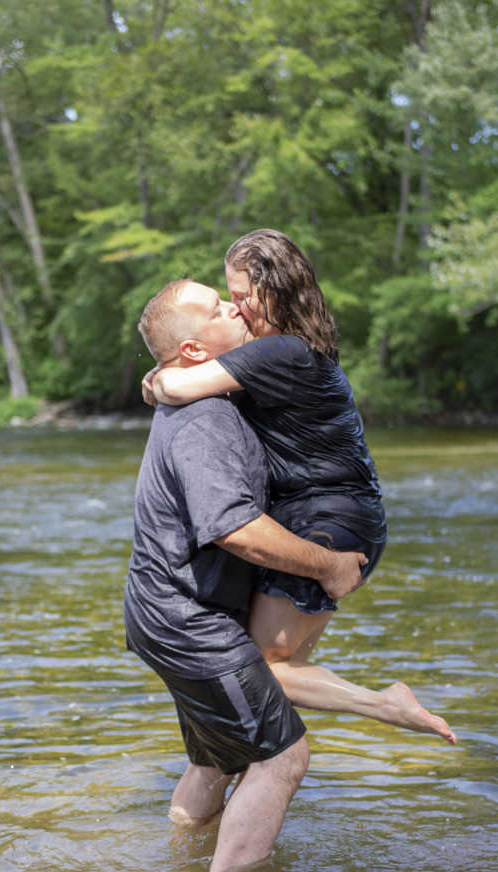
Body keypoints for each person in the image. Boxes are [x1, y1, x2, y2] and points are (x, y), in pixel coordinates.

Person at [145, 230, 456, 746]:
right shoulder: (294, 346)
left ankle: (386, 704)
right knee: (287, 673)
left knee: (261, 668)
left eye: (241, 295)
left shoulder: (280, 352)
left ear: (272, 291)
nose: (237, 309)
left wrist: (159, 377)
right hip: (347, 516)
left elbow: (177, 385)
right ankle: (248, 777)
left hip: (325, 521)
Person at [124, 279, 367, 872]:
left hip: (166, 611)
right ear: (194, 351)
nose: (236, 307)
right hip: (190, 620)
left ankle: (176, 865)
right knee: (284, 757)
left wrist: (158, 382)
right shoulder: (207, 419)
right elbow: (234, 529)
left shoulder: (210, 394)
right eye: (218, 308)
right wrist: (331, 563)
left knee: (217, 760)